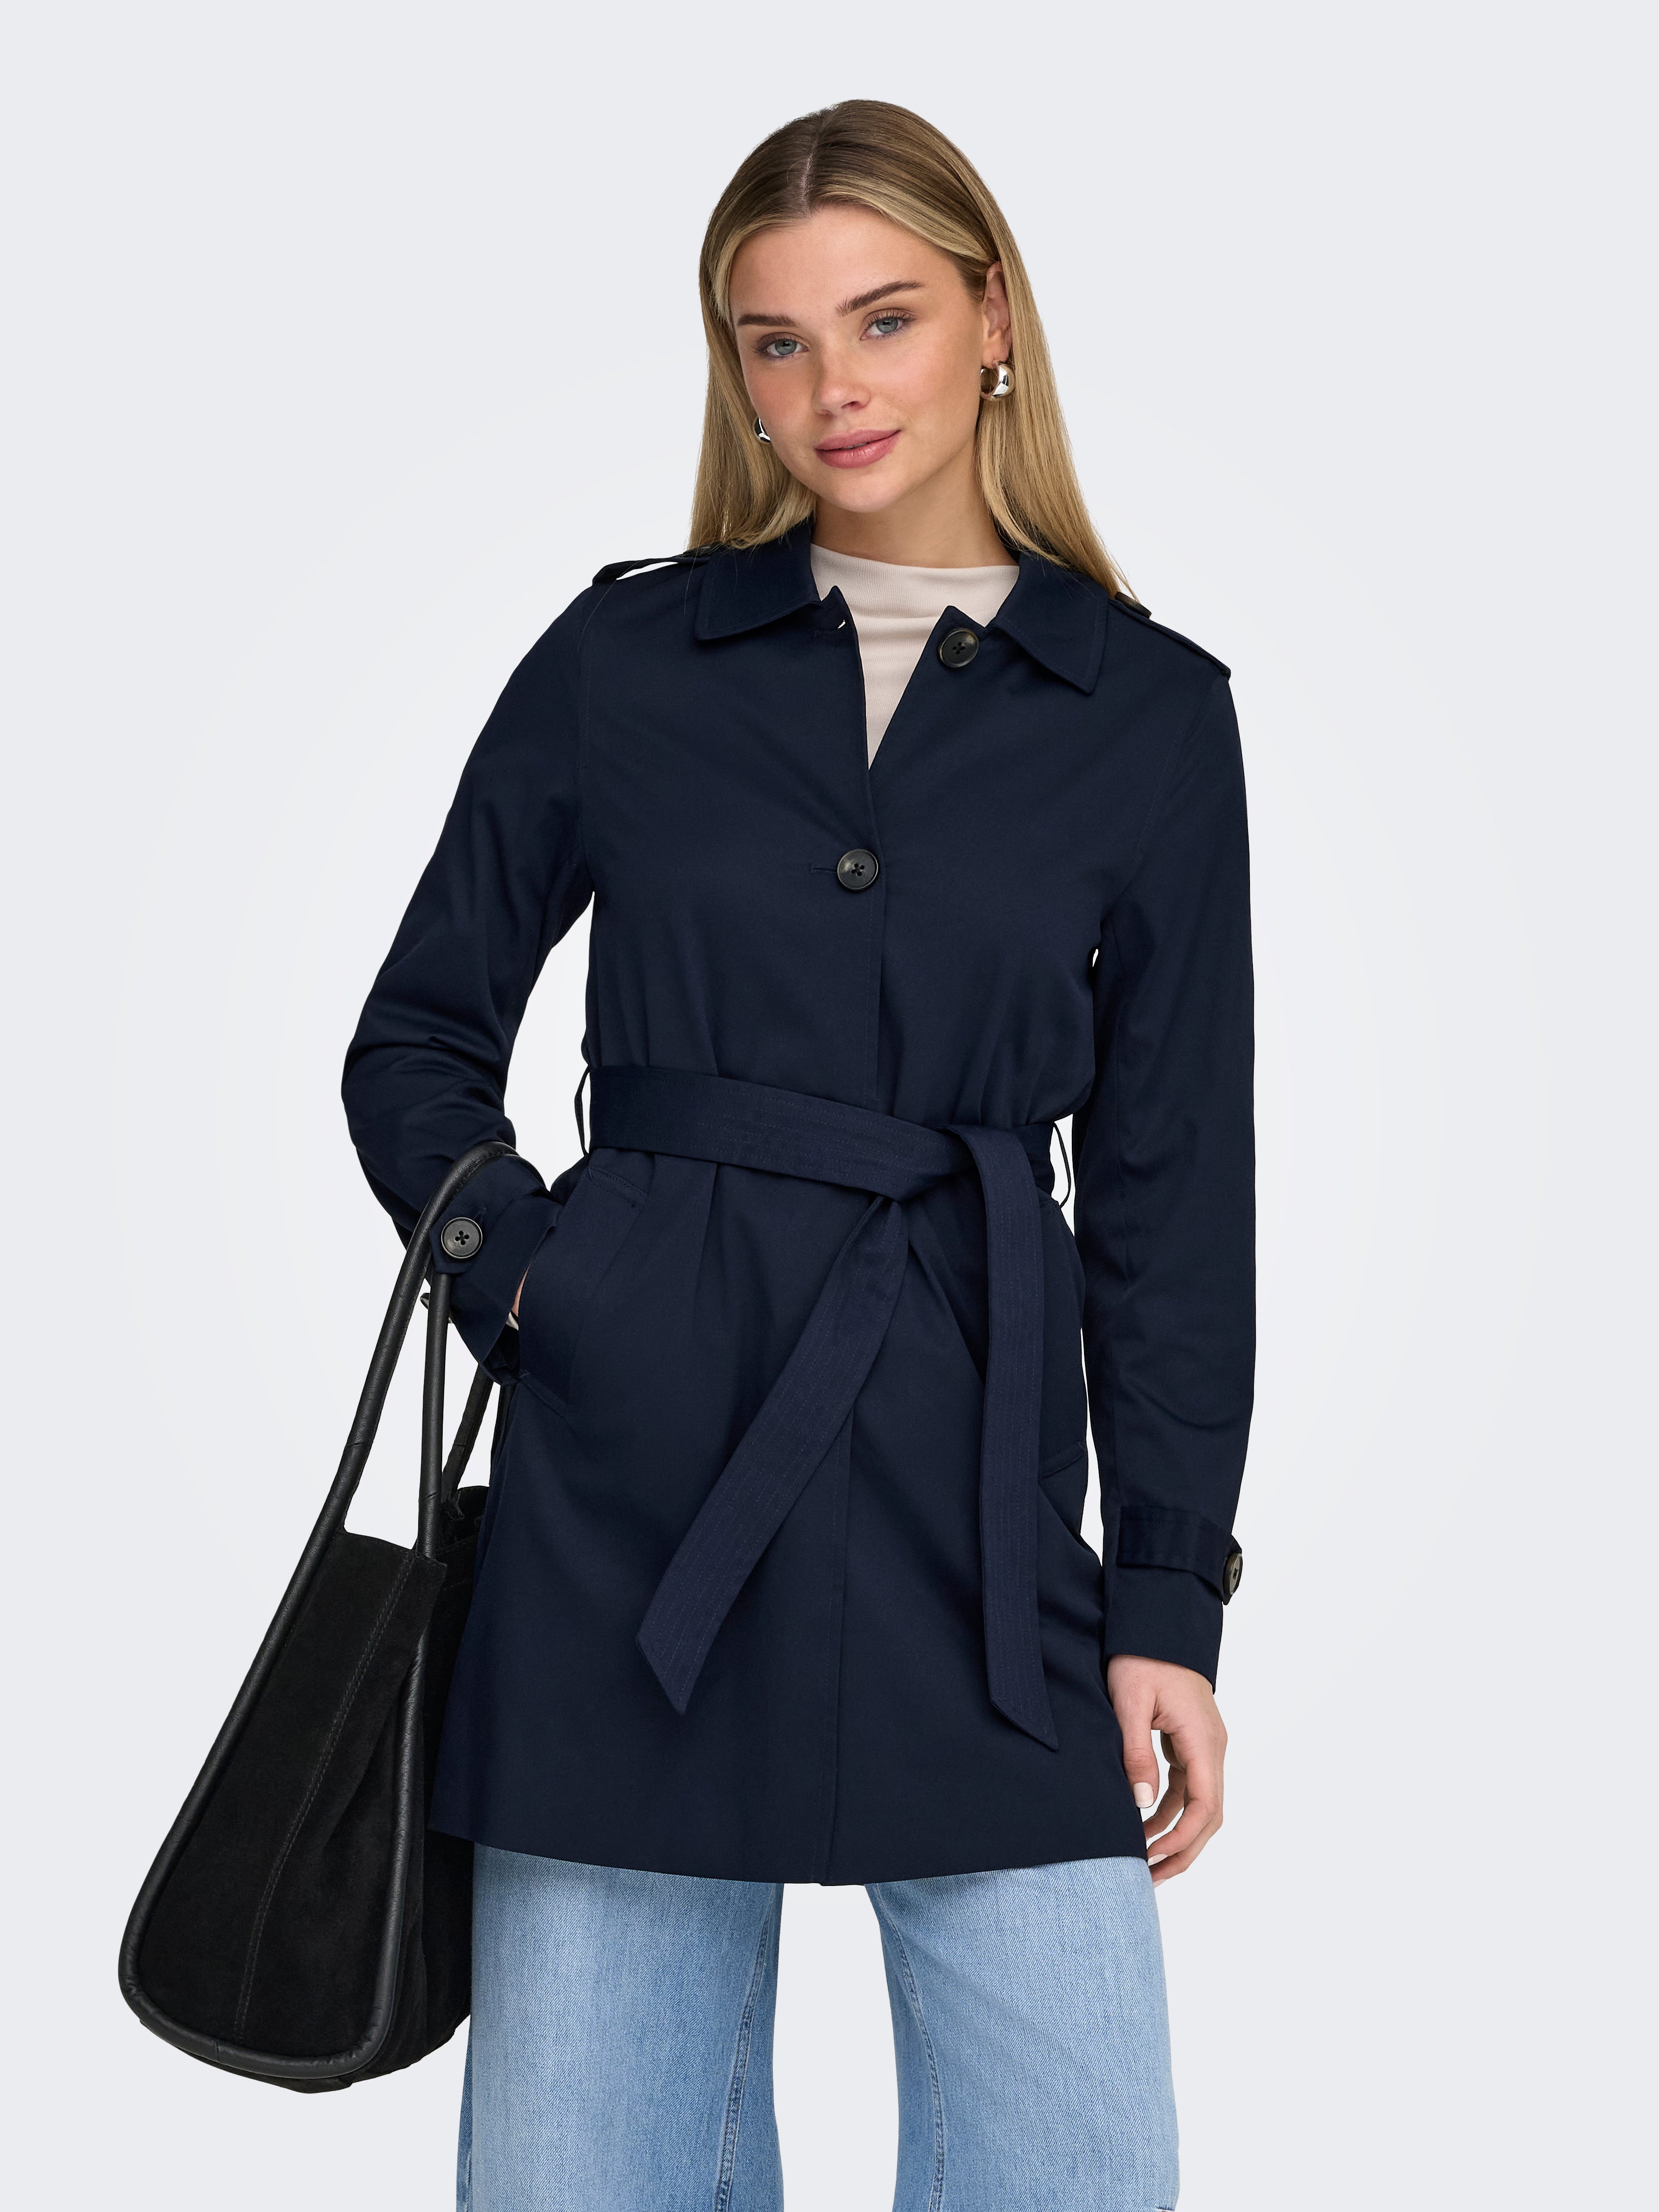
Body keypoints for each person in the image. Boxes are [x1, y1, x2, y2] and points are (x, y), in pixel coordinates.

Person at [344, 97, 1252, 2212]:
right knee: (580, 2184)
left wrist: (1167, 1591)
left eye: (884, 318)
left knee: (1076, 2167)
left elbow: (1173, 1191)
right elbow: (416, 1038)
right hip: (627, 1497)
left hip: (979, 1496)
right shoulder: (624, 660)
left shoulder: (1145, 711)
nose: (832, 385)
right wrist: (544, 1289)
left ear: (994, 319)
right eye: (776, 340)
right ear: (733, 371)